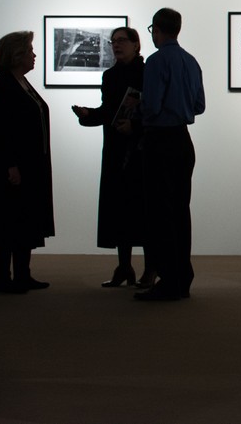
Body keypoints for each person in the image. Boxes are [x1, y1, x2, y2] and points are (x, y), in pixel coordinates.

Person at [72, 27, 153, 288]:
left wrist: (137, 127)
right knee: (119, 207)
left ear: (136, 44)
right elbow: (109, 111)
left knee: (143, 208)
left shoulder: (147, 72)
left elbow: (154, 109)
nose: (116, 46)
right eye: (113, 42)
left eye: (121, 41)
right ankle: (124, 267)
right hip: (116, 147)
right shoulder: (110, 75)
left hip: (142, 148)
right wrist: (88, 116)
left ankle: (150, 269)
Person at [135, 8, 205, 302]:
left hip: (160, 141)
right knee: (179, 209)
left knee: (159, 212)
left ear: (156, 30)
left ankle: (169, 279)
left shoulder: (156, 61)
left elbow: (151, 105)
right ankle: (182, 276)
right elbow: (199, 106)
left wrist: (136, 111)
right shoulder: (190, 61)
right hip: (183, 141)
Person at [0, 31, 55, 293]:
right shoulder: (3, 85)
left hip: (29, 163)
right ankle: (3, 278)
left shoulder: (21, 82)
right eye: (30, 51)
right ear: (16, 55)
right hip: (10, 165)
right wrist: (10, 165)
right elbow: (1, 128)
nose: (34, 56)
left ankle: (22, 274)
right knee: (6, 218)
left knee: (25, 217)